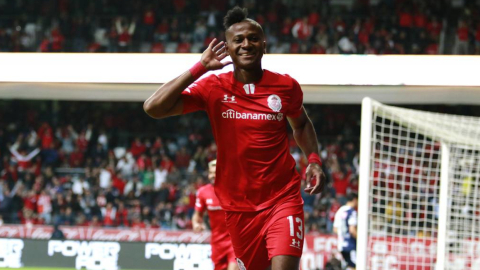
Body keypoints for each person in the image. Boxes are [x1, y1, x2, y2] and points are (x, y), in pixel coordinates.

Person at [144, 6, 326, 270]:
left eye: (252, 38)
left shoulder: (286, 87)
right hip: (238, 207)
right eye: (237, 40)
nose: (246, 44)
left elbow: (302, 124)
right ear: (227, 48)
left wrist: (314, 160)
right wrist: (199, 68)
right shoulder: (212, 87)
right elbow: (153, 107)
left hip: (282, 198)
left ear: (264, 45)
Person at [192, 160, 238, 270]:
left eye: (215, 172)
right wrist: (195, 223)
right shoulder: (203, 192)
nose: (212, 175)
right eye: (210, 172)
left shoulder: (235, 190)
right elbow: (197, 215)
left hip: (235, 241)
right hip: (217, 243)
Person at [333, 193, 358, 270]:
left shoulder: (340, 211)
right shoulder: (352, 212)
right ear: (354, 200)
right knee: (354, 266)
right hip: (350, 245)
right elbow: (352, 230)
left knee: (348, 266)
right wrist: (360, 240)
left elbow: (335, 229)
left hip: (341, 245)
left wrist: (343, 235)